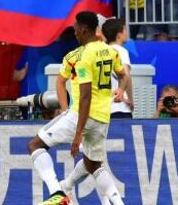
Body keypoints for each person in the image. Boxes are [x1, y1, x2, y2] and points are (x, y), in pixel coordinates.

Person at [29, 12, 128, 205]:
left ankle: (57, 192)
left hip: (82, 115)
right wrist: (120, 90)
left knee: (34, 145)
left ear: (83, 29)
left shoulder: (82, 57)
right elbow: (123, 75)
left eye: (75, 29)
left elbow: (85, 96)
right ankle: (118, 203)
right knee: (93, 164)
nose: (74, 33)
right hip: (103, 116)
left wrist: (78, 133)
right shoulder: (110, 51)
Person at [102, 18, 134, 119]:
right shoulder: (121, 51)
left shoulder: (102, 51)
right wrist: (130, 99)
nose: (126, 32)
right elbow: (126, 76)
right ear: (118, 35)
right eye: (124, 29)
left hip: (103, 109)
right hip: (120, 107)